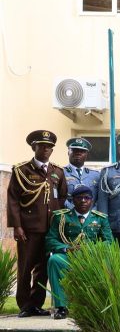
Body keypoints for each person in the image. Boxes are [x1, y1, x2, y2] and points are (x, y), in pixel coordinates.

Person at [7, 130, 67, 317]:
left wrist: (58, 224)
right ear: (34, 147)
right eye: (42, 146)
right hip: (29, 229)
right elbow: (13, 199)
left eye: (49, 147)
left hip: (50, 230)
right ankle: (25, 305)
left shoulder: (57, 171)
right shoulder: (22, 170)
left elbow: (62, 197)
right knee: (26, 268)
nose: (46, 149)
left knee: (43, 269)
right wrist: (17, 226)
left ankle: (36, 304)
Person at [44, 184, 113, 320]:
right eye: (79, 198)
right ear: (72, 200)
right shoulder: (61, 217)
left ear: (92, 200)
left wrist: (92, 249)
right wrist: (66, 248)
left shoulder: (100, 218)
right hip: (68, 256)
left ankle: (98, 305)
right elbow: (50, 240)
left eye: (86, 198)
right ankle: (62, 307)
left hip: (92, 257)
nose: (83, 201)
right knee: (54, 260)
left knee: (108, 262)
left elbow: (109, 242)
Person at [63, 138, 100, 209]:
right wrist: (74, 211)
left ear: (87, 155)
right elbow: (59, 196)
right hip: (69, 214)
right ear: (68, 152)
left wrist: (90, 213)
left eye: (82, 151)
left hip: (91, 214)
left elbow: (100, 199)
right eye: (75, 150)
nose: (78, 153)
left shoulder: (96, 175)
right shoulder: (61, 173)